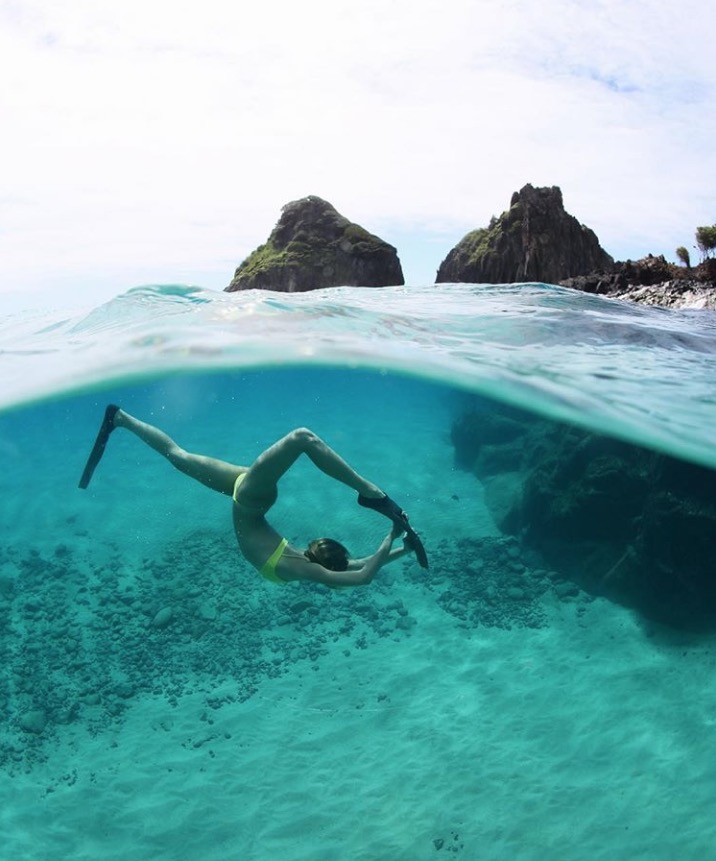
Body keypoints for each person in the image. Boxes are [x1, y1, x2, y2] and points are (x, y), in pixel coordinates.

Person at [79, 405, 428, 588]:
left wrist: (397, 543)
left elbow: (360, 569)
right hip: (248, 498)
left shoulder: (305, 567)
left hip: (244, 495)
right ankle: (369, 492)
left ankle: (121, 418)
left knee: (178, 456)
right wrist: (395, 542)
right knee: (301, 438)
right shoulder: (307, 570)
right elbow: (360, 569)